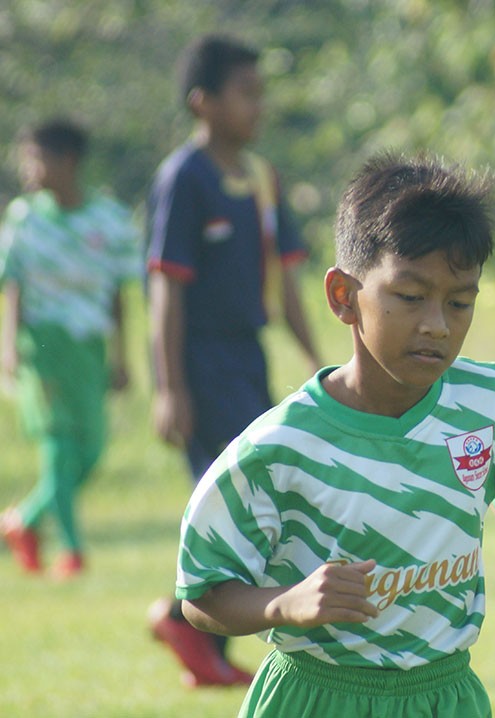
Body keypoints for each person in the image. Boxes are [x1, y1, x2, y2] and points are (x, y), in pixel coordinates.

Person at [174, 152, 495, 717]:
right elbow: (202, 596)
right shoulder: (279, 447)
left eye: (460, 302)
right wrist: (286, 603)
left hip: (446, 693)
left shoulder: (487, 401)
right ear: (343, 297)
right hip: (316, 696)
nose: (437, 323)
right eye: (410, 297)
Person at [144, 34, 321, 688]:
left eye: (260, 92)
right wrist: (170, 386)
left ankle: (193, 634)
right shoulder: (183, 178)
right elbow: (166, 286)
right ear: (203, 102)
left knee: (258, 495)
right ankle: (186, 622)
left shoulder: (264, 179)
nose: (258, 106)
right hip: (199, 360)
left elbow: (287, 284)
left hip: (245, 359)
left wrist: (321, 360)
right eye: (245, 93)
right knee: (240, 498)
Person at [0, 118, 140, 579]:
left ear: (68, 162)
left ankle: (24, 521)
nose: (28, 168)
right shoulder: (25, 219)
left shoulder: (108, 220)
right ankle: (74, 550)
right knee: (58, 444)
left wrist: (121, 356)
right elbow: (13, 284)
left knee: (92, 448)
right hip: (43, 344)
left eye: (37, 157)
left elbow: (117, 294)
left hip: (88, 347)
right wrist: (8, 345)